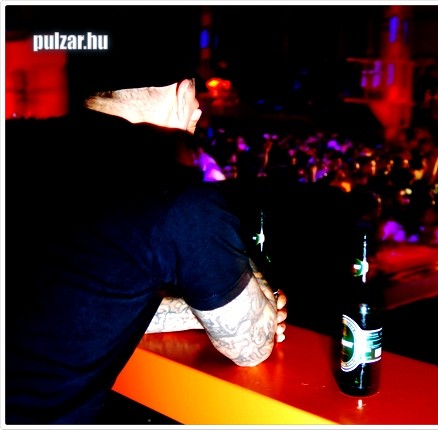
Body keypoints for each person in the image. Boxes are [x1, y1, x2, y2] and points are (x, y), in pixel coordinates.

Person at [5, 7, 287, 424]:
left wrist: (198, 311)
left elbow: (85, 302)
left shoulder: (19, 148)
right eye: (196, 95)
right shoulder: (178, 198)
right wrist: (256, 297)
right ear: (183, 92)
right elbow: (251, 345)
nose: (198, 110)